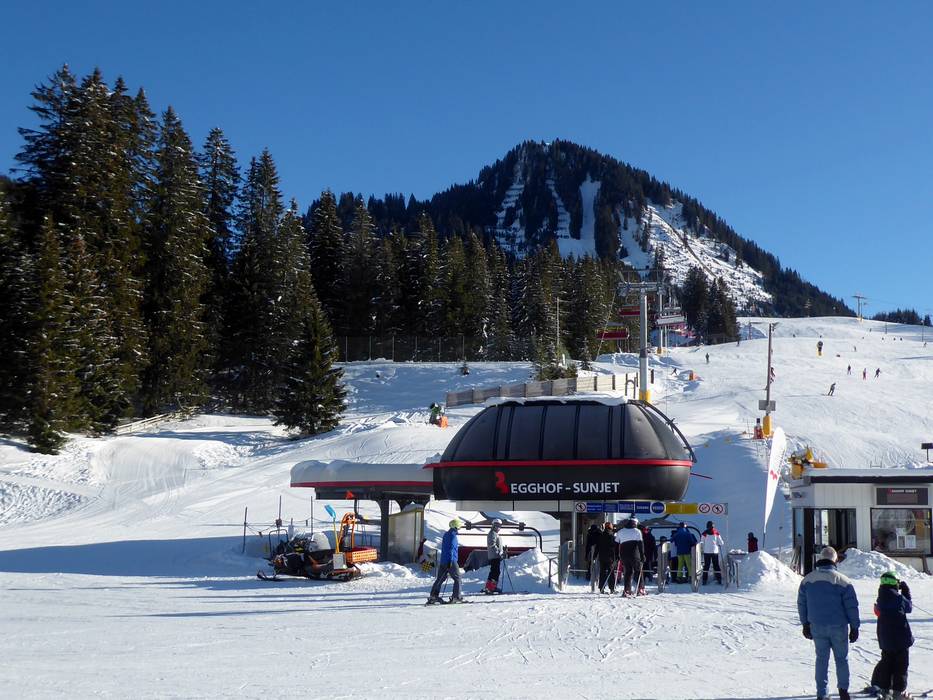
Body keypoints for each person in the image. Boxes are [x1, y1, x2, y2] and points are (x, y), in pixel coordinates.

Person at [797, 546, 859, 700]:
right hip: (839, 626)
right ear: (835, 560)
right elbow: (851, 606)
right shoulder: (843, 581)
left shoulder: (807, 580)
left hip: (817, 626)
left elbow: (802, 604)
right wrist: (854, 627)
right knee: (841, 659)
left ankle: (822, 693)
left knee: (821, 660)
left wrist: (805, 624)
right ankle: (843, 691)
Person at [868, 571, 914, 700]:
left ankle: (884, 690)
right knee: (901, 666)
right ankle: (898, 692)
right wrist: (905, 591)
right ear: (895, 583)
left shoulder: (880, 599)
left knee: (886, 664)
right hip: (901, 639)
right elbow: (909, 607)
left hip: (886, 639)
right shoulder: (899, 599)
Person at [427, 519, 464, 604]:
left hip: (443, 560)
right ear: (456, 527)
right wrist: (450, 561)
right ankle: (456, 597)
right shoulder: (453, 536)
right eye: (459, 527)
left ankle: (433, 596)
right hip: (451, 561)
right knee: (458, 578)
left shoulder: (446, 534)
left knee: (440, 579)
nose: (459, 528)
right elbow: (451, 549)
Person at [615, 518, 645, 596]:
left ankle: (627, 590)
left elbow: (616, 544)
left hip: (624, 555)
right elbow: (640, 544)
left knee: (628, 572)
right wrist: (642, 555)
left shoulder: (620, 531)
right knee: (638, 571)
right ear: (635, 524)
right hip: (634, 554)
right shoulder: (637, 531)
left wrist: (617, 555)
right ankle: (640, 589)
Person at [484, 518, 505, 594]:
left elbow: (496, 544)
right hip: (494, 555)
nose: (498, 527)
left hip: (496, 555)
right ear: (493, 525)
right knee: (495, 572)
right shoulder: (492, 533)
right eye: (496, 525)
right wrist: (499, 552)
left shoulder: (495, 533)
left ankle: (490, 587)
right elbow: (492, 544)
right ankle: (491, 587)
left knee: (494, 571)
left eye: (499, 526)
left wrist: (502, 550)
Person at [596, 521, 617, 594]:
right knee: (611, 573)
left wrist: (595, 555)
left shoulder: (600, 536)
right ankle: (612, 588)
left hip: (602, 557)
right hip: (610, 557)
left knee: (602, 572)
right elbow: (615, 547)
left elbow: (597, 547)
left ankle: (601, 588)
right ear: (611, 527)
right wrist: (616, 556)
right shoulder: (612, 536)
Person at [701, 520, 724, 585]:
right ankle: (719, 579)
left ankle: (704, 580)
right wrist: (718, 543)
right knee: (716, 565)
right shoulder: (716, 533)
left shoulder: (704, 533)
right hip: (715, 552)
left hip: (706, 552)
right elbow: (721, 543)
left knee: (706, 566)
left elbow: (702, 542)